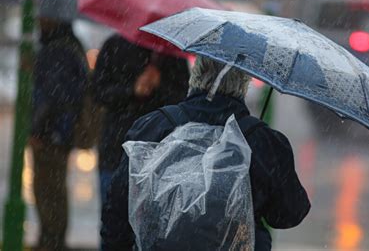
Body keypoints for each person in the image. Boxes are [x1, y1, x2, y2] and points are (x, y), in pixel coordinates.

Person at [101, 56, 311, 250]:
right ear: (244, 84)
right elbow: (289, 213)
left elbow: (119, 205)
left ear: (195, 75)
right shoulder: (262, 142)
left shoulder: (154, 127)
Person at [91, 34, 190, 204]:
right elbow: (98, 92)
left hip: (157, 154)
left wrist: (159, 86)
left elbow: (182, 100)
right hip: (116, 149)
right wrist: (132, 90)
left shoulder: (171, 54)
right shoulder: (115, 45)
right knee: (112, 216)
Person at [30, 17, 87, 251]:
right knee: (53, 188)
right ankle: (52, 240)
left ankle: (51, 242)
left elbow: (51, 95)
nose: (38, 21)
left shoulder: (56, 50)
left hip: (52, 133)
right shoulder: (69, 45)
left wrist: (39, 129)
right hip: (60, 131)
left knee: (48, 190)